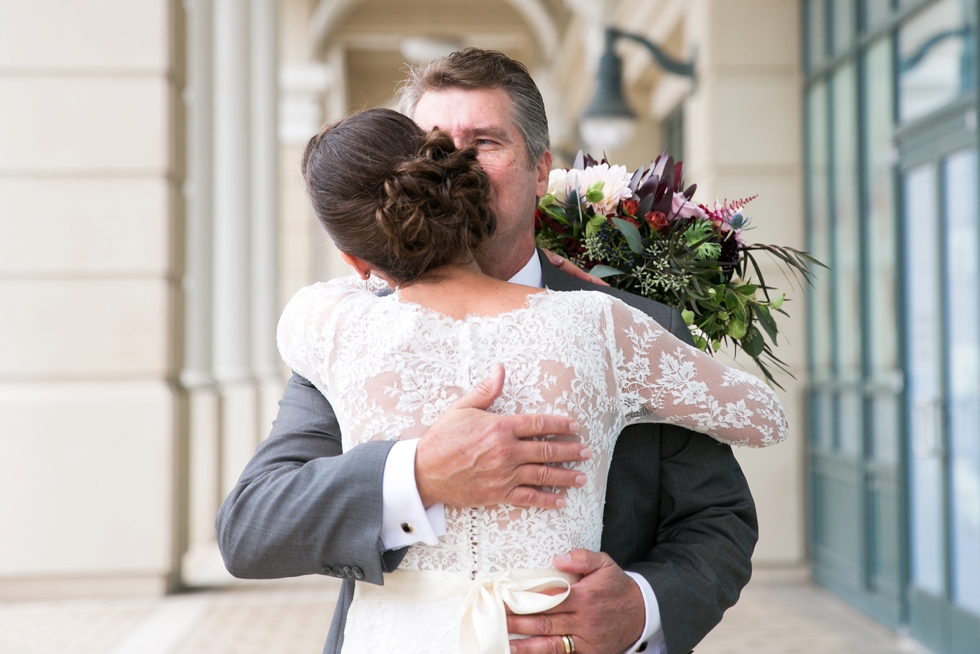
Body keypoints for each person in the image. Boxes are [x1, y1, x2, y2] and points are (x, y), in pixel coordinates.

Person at [217, 49, 762, 654]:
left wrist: (639, 610)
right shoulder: (347, 331)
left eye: (483, 143)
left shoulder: (628, 325)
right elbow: (253, 526)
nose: (458, 168)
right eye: (435, 146)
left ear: (539, 172)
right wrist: (419, 473)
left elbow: (719, 520)